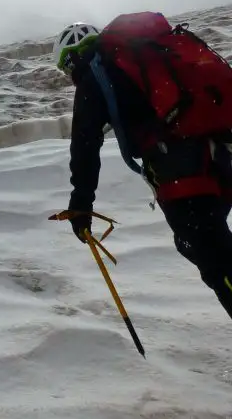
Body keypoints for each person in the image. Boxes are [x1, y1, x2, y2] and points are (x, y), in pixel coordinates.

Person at [53, 18, 232, 319]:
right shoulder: (138, 57)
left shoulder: (93, 75)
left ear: (70, 59)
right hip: (215, 148)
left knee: (212, 257)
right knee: (211, 245)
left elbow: (85, 142)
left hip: (179, 167)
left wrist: (80, 203)